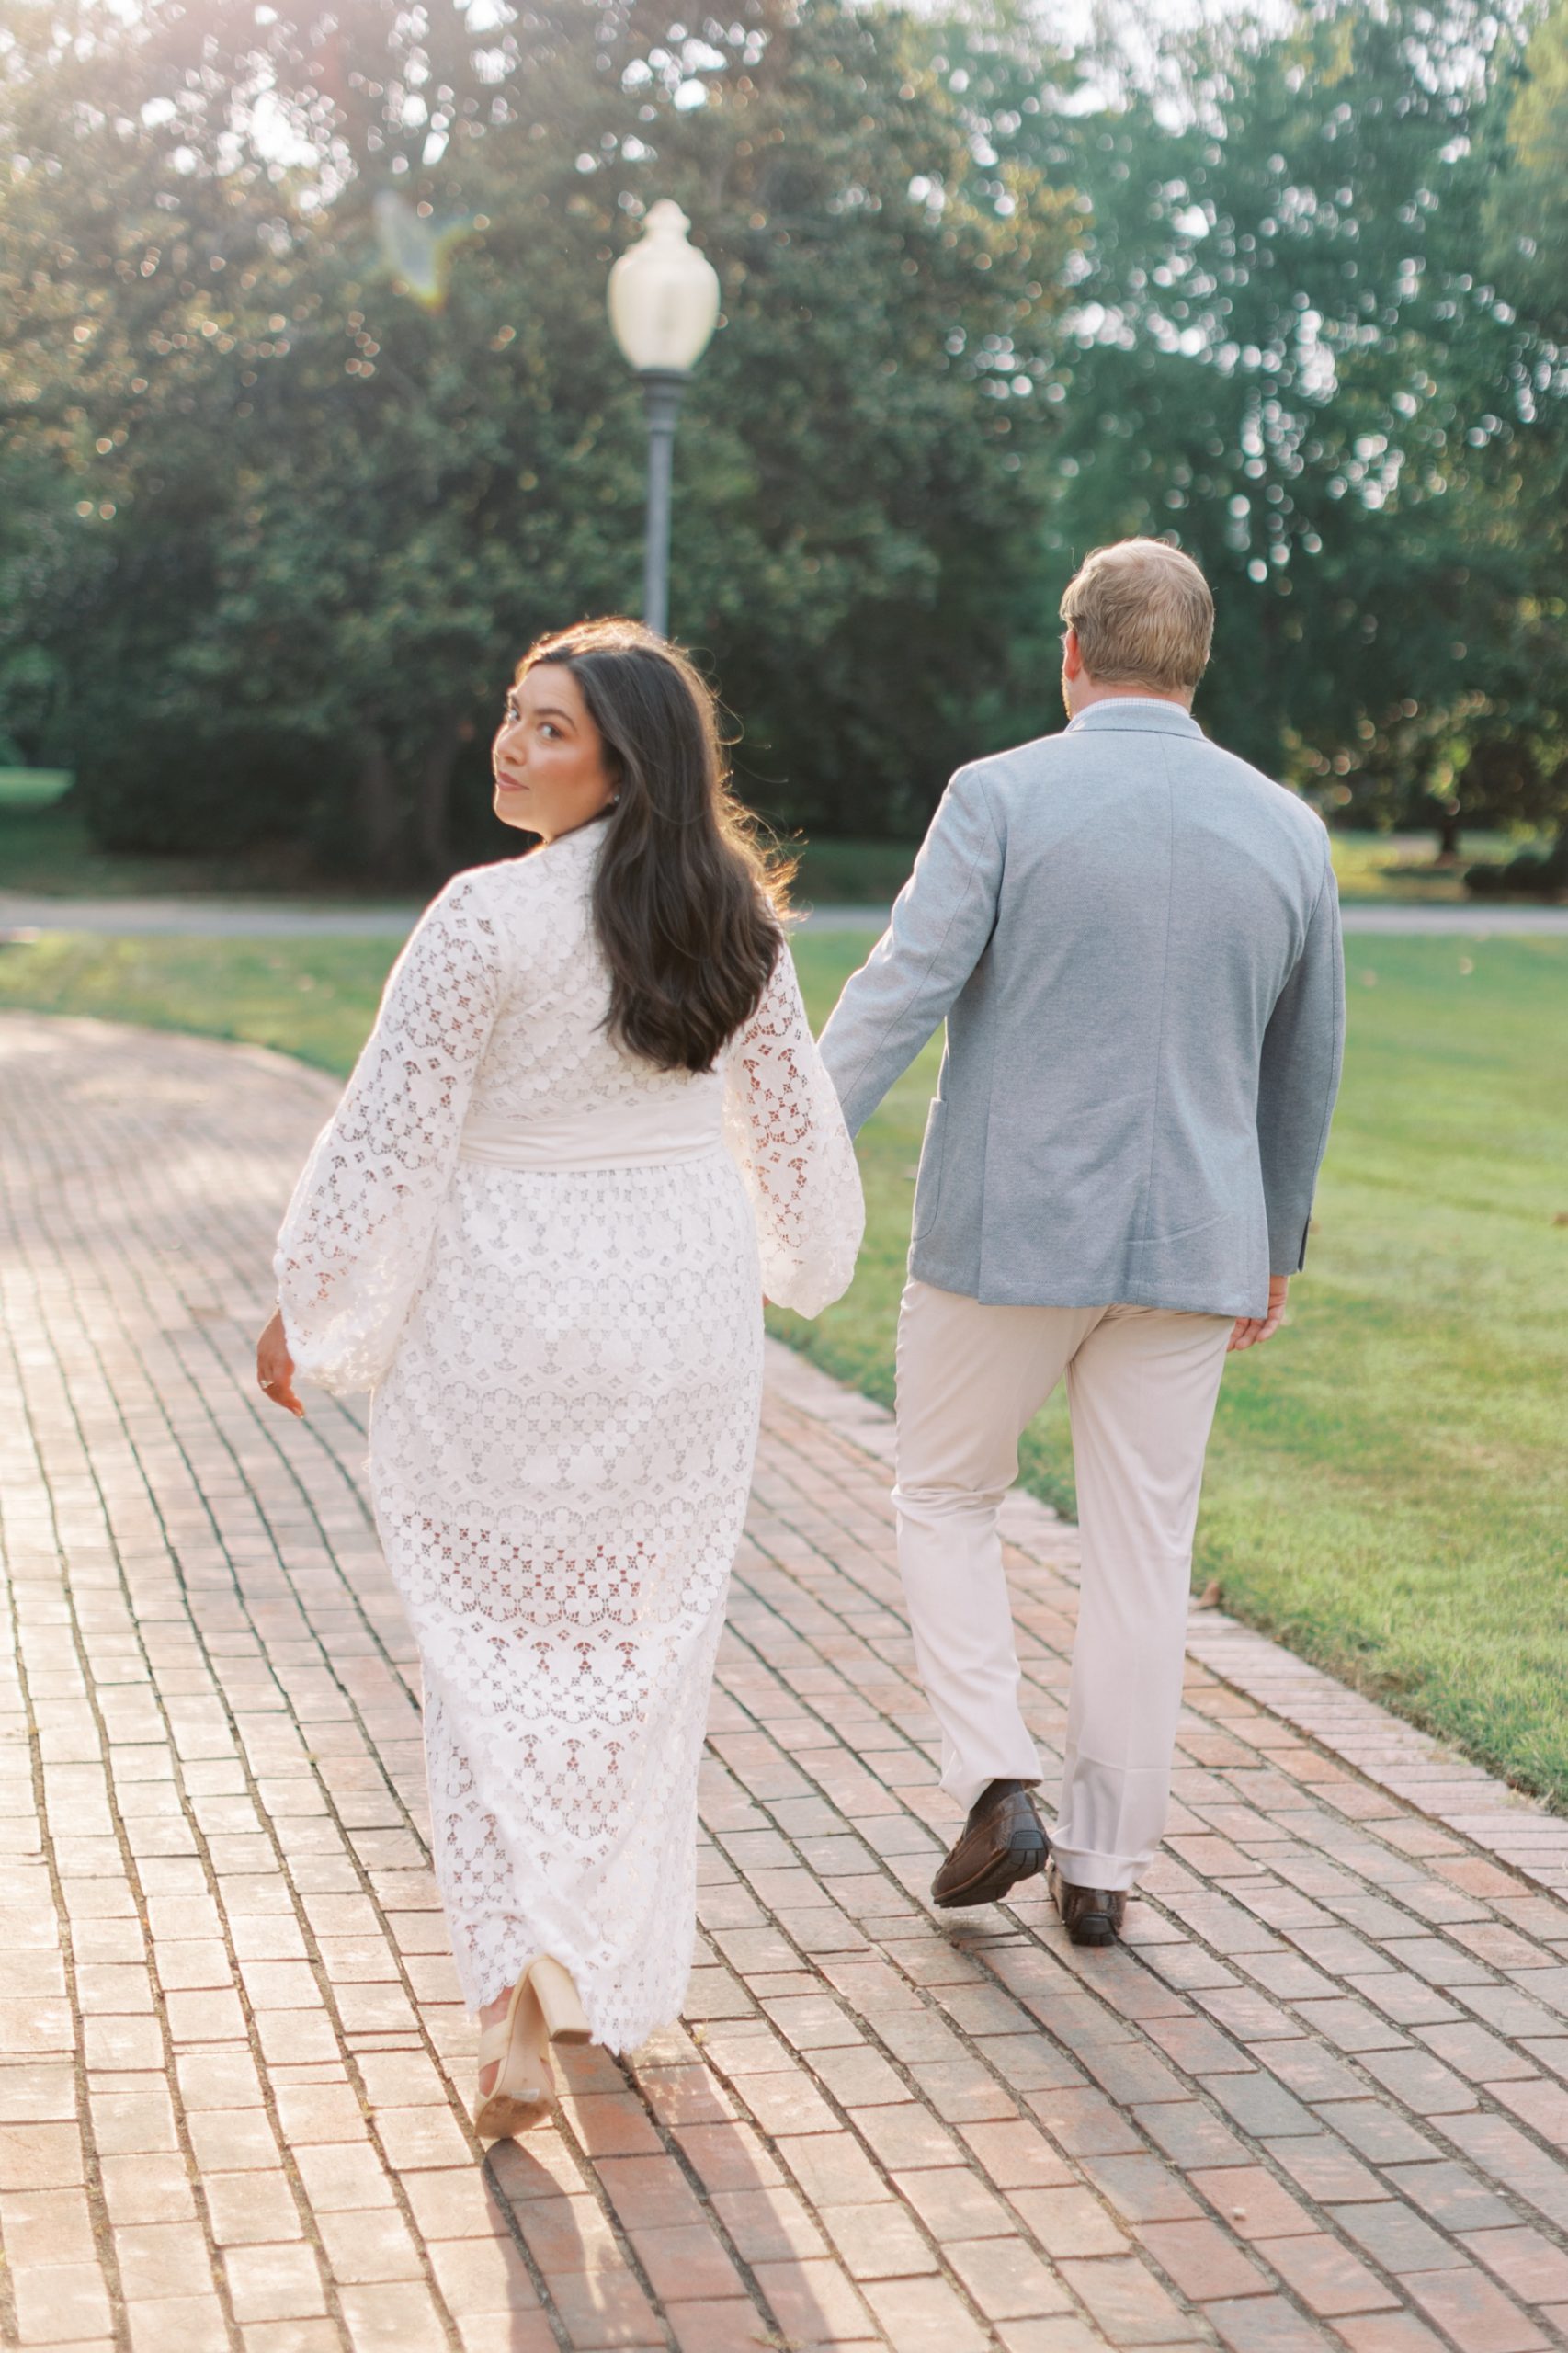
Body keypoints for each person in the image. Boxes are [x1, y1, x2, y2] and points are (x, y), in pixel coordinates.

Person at [256, 619, 862, 2135]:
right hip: (677, 1318)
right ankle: (593, 1973)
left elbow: (386, 1136)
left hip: (502, 1318)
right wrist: (796, 1263)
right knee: (642, 1654)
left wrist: (308, 1307)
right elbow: (796, 1148)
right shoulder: (736, 926)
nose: (509, 747)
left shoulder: (483, 920)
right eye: (512, 719)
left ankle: (517, 1999)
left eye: (545, 728)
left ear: (623, 759)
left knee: (485, 1651)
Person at [818, 540, 1344, 1946]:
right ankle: (1102, 1868)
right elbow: (1306, 1063)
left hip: (1006, 1235)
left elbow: (896, 992)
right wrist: (1273, 1239)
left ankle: (996, 1781)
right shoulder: (1287, 828)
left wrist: (787, 1154)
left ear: (1071, 651)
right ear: (1195, 660)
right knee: (1138, 1551)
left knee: (941, 1493)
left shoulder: (998, 796)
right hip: (1195, 1243)